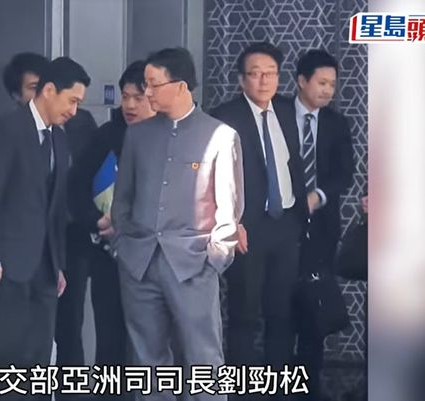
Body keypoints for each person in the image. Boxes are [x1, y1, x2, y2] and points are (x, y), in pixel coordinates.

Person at [111, 47, 243, 401]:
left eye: (153, 84)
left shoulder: (220, 136)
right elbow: (122, 200)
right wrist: (124, 246)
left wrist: (214, 260)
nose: (147, 93)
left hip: (193, 263)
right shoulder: (138, 135)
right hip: (139, 262)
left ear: (181, 86)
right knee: (147, 362)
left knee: (204, 359)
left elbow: (229, 208)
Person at [0, 57, 90, 399]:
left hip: (46, 269)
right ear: (49, 90)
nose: (74, 111)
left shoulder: (59, 139)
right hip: (7, 266)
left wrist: (58, 263)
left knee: (38, 356)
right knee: (9, 355)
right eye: (72, 101)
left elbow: (55, 209)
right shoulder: (7, 130)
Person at [210, 42, 308, 390]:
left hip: (285, 224)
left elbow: (292, 164)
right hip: (246, 228)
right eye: (255, 74)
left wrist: (300, 216)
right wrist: (231, 222)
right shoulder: (225, 117)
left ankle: (278, 387)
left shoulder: (287, 112)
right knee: (244, 313)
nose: (264, 81)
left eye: (271, 73)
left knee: (281, 313)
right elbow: (214, 176)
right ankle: (241, 389)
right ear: (241, 79)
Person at [1, 52, 100, 373]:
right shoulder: (10, 133)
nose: (71, 109)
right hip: (26, 248)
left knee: (70, 325)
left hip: (70, 238)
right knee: (22, 333)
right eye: (31, 88)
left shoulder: (78, 124)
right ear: (17, 95)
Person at [68, 60, 156, 371]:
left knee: (155, 344)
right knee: (110, 342)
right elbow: (75, 186)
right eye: (125, 96)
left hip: (158, 258)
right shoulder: (107, 136)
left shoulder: (173, 137)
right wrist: (96, 220)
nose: (129, 105)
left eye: (138, 98)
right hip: (109, 256)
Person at [291, 49, 354, 401]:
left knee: (313, 313)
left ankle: (309, 387)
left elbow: (344, 174)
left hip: (322, 228)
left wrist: (318, 196)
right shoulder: (278, 115)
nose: (328, 90)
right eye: (322, 82)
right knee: (280, 308)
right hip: (281, 228)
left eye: (332, 84)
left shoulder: (336, 123)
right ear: (302, 81)